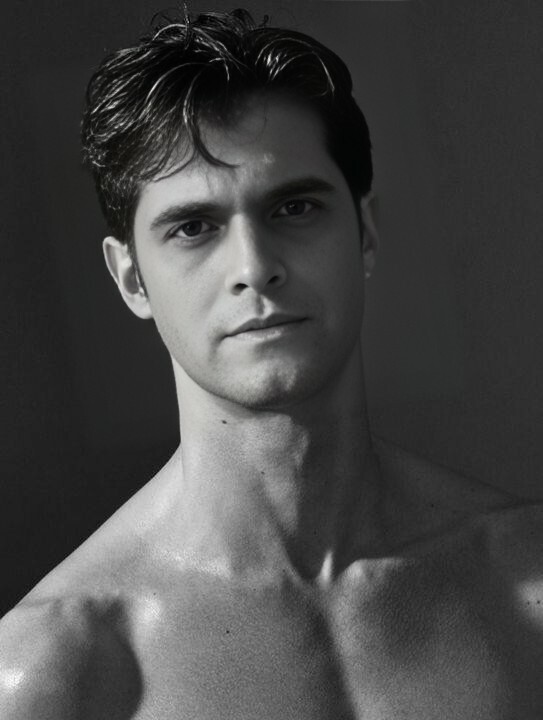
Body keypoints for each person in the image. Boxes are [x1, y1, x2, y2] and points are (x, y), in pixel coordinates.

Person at [1, 8, 542, 719]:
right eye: (193, 227)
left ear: (364, 232)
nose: (254, 267)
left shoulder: (525, 583)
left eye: (293, 208)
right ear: (131, 279)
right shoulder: (54, 670)